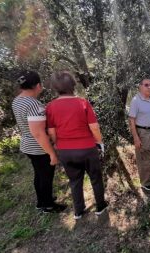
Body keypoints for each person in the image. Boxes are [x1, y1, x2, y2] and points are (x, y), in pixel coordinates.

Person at [45, 71, 107, 220]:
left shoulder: (50, 106)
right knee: (96, 178)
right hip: (87, 148)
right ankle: (100, 206)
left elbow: (52, 132)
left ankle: (78, 211)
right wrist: (100, 142)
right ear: (73, 85)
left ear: (56, 88)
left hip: (65, 150)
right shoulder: (83, 103)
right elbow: (94, 127)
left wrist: (57, 144)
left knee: (74, 180)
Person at [12, 70, 66, 213]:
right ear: (38, 86)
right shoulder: (34, 105)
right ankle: (48, 206)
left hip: (27, 145)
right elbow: (38, 133)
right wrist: (52, 154)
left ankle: (41, 201)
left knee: (39, 174)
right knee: (46, 177)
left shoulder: (17, 101)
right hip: (39, 148)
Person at [128, 78, 150, 191]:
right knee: (144, 157)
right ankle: (144, 182)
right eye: (146, 85)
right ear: (140, 87)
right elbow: (131, 119)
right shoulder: (136, 100)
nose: (149, 87)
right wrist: (136, 138)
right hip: (143, 132)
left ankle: (148, 178)